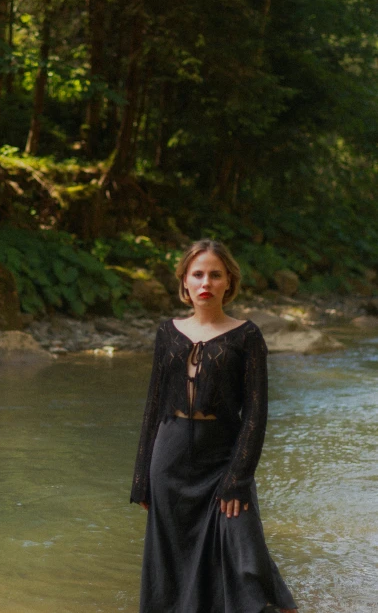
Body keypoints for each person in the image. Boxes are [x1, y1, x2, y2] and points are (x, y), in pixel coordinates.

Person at [130, 239, 297, 613]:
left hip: (224, 457)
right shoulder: (167, 332)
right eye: (198, 274)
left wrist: (237, 478)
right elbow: (154, 406)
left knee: (246, 553)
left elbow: (256, 414)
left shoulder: (247, 336)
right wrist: (141, 475)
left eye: (215, 275)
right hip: (169, 461)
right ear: (185, 282)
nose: (206, 281)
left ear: (228, 282)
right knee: (173, 561)